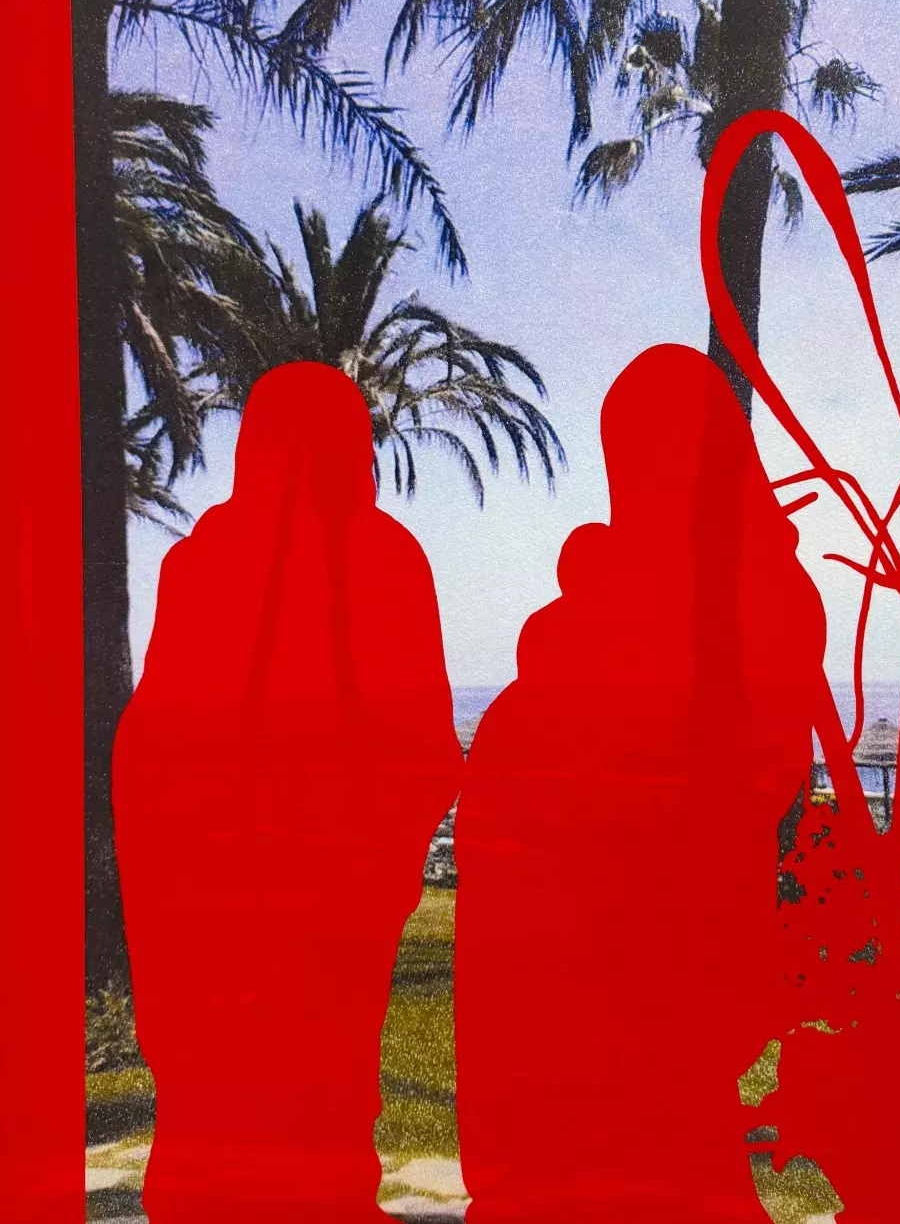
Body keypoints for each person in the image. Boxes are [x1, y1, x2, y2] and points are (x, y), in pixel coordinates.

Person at [454, 344, 827, 1223]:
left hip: (658, 948)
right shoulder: (727, 591)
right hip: (615, 954)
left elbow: (759, 764)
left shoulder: (738, 595)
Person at [113, 362, 464, 1224]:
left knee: (300, 1089)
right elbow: (158, 742)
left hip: (293, 897)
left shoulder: (341, 563)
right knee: (257, 1091)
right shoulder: (228, 565)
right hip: (242, 896)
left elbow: (423, 748)